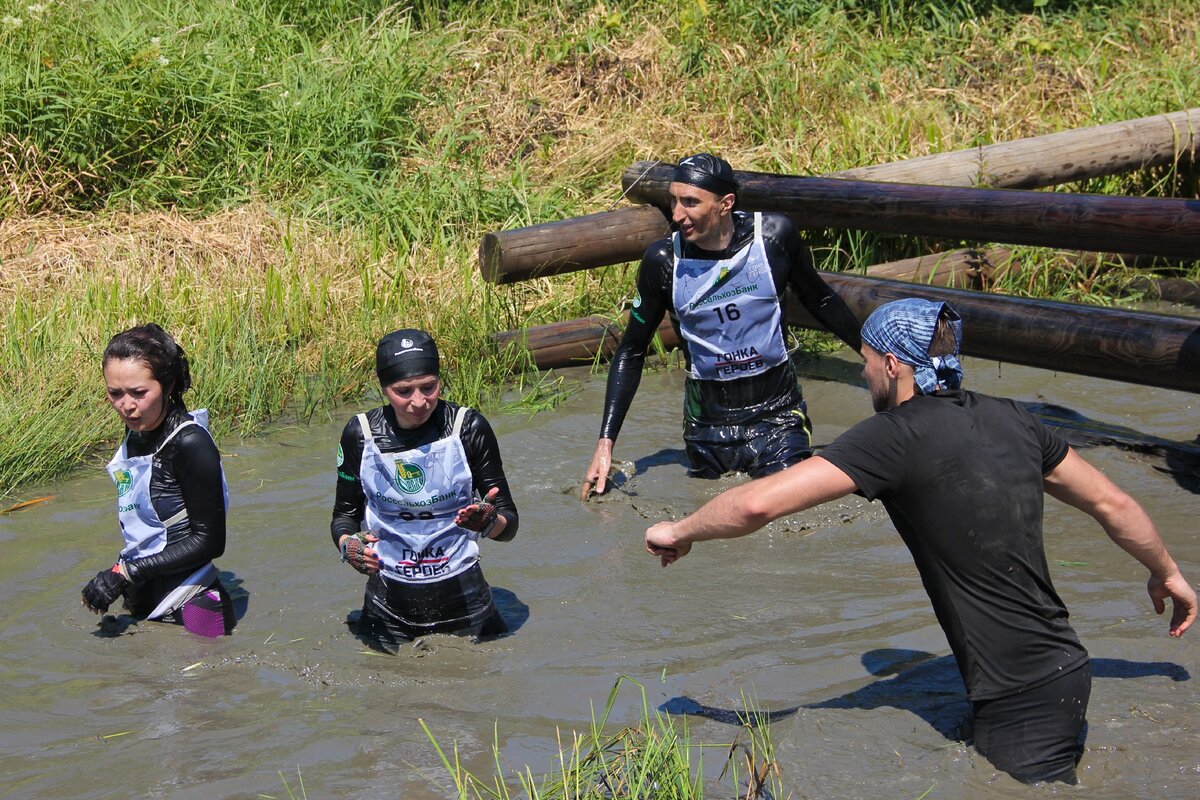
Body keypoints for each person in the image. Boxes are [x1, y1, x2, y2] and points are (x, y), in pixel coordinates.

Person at [644, 298, 1196, 784]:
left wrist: (679, 530)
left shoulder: (893, 437)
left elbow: (756, 503)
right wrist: (1166, 571)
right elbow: (1113, 504)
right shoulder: (1014, 419)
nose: (865, 377)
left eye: (865, 362)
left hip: (1019, 696)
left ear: (892, 363)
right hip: (1066, 669)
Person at [582, 153, 862, 499]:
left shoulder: (773, 238)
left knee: (786, 507)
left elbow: (820, 299)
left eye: (690, 202)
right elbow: (632, 351)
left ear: (725, 204)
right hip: (707, 425)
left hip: (777, 414)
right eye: (673, 200)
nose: (676, 214)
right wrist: (605, 443)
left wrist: (872, 354)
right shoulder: (663, 262)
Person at [330, 328, 518, 651]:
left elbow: (509, 524)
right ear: (384, 388)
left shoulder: (468, 429)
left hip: (467, 606)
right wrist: (349, 546)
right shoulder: (360, 436)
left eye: (429, 387)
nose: (419, 402)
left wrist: (488, 522)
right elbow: (343, 517)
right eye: (404, 391)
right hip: (387, 610)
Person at [82, 323, 236, 637]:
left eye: (139, 393)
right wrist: (122, 576)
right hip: (141, 597)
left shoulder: (191, 444)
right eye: (115, 393)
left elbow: (210, 541)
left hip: (195, 602)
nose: (126, 405)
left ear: (167, 385)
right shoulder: (138, 429)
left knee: (212, 682)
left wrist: (126, 571)